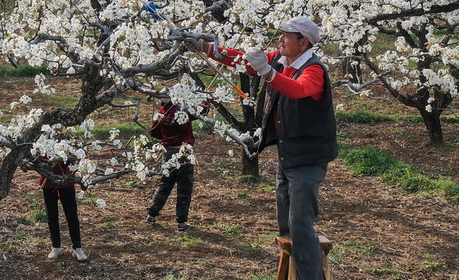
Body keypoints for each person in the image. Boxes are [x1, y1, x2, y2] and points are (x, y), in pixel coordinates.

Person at [192, 16, 337, 280]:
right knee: (287, 223)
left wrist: (268, 73)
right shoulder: (282, 60)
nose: (281, 40)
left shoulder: (314, 70)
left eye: (287, 36)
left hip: (307, 158)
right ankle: (294, 270)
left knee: (301, 225)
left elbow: (298, 89)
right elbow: (242, 60)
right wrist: (205, 47)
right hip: (289, 153)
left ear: (303, 43)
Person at [144, 94, 202, 232]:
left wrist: (166, 137)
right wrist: (206, 99)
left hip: (168, 151)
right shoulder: (182, 111)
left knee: (165, 183)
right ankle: (181, 222)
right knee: (184, 187)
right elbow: (201, 112)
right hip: (184, 152)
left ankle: (151, 214)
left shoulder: (161, 114)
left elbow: (154, 132)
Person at [39, 153, 87, 262]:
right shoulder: (41, 142)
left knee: (72, 215)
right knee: (52, 215)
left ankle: (77, 247)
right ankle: (56, 246)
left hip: (66, 181)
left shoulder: (64, 137)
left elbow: (73, 158)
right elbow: (37, 160)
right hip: (48, 182)